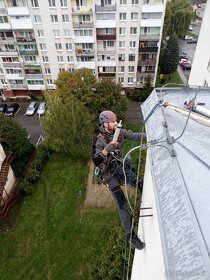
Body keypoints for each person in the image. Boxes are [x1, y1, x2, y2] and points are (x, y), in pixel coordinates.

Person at [92, 110, 146, 250]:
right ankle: (131, 236)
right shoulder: (99, 139)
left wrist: (152, 135)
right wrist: (105, 151)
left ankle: (147, 199)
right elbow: (96, 160)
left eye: (116, 121)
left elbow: (135, 135)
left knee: (141, 183)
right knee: (121, 203)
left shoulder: (120, 133)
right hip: (109, 174)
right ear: (105, 124)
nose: (116, 123)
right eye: (113, 122)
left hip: (120, 167)